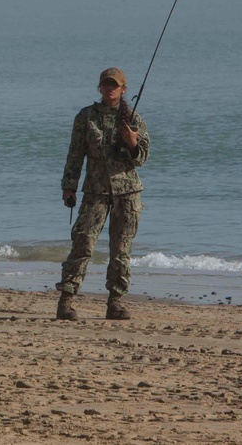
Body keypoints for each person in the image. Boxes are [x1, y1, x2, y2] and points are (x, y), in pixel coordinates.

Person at [56, 67, 150, 321]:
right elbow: (75, 155)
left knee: (121, 249)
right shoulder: (86, 117)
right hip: (95, 191)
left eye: (115, 85)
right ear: (99, 88)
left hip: (127, 192)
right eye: (106, 84)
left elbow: (142, 158)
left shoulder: (134, 120)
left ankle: (115, 303)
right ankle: (66, 300)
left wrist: (131, 141)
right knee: (83, 242)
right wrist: (69, 186)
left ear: (123, 89)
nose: (110, 89)